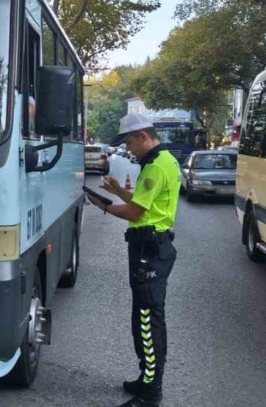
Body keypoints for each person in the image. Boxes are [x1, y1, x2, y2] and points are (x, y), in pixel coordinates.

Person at [85, 112, 181, 407]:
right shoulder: (163, 161)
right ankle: (146, 378)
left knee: (147, 321)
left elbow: (135, 214)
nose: (128, 148)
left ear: (143, 136)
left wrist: (103, 204)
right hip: (152, 247)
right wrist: (119, 191)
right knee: (145, 318)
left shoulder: (154, 167)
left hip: (149, 250)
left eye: (129, 141)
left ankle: (151, 392)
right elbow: (143, 204)